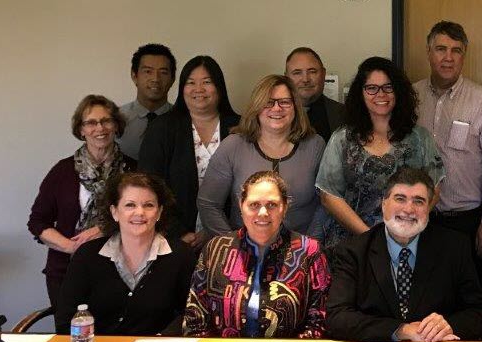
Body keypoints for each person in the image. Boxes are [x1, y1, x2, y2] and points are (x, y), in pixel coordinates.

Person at [326, 167, 482, 342]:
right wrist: (400, 330)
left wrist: (448, 325)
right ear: (383, 204)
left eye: (418, 201)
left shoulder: (454, 247)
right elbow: (337, 318)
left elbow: (479, 312)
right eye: (400, 199)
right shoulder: (353, 251)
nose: (408, 209)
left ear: (428, 208)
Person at [413, 20, 482, 304]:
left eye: (456, 50)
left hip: (467, 221)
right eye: (441, 49)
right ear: (428, 52)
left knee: (471, 299)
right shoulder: (410, 98)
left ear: (464, 56)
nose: (448, 57)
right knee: (426, 298)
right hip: (420, 217)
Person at [316, 56, 444, 249]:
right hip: (352, 244)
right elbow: (329, 195)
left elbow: (434, 188)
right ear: (361, 93)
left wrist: (404, 231)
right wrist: (370, 236)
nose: (380, 94)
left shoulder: (420, 138)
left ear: (398, 91)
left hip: (406, 241)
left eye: (388, 87)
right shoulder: (342, 138)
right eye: (371, 88)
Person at [184, 171, 331, 338]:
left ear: (285, 208)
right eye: (254, 204)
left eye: (272, 205)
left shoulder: (309, 251)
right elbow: (195, 319)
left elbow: (319, 323)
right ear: (241, 205)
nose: (263, 212)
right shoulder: (216, 248)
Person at [27, 95, 136, 312]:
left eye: (106, 121)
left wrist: (104, 228)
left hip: (119, 271)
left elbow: (141, 218)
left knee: (112, 340)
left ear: (116, 125)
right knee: (70, 338)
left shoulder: (133, 171)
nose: (100, 128)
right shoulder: (62, 171)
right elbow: (38, 221)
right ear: (81, 129)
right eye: (91, 122)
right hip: (65, 272)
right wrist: (72, 246)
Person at [55, 172, 195, 335]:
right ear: (114, 212)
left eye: (149, 205)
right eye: (130, 205)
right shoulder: (87, 255)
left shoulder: (181, 255)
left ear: (159, 212)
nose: (140, 212)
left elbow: (190, 314)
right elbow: (66, 319)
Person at [197, 75, 326, 237]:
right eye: (268, 102)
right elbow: (208, 204)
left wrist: (309, 247)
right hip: (243, 252)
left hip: (302, 252)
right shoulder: (233, 146)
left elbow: (326, 204)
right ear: (256, 107)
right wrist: (233, 246)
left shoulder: (315, 145)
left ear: (296, 107)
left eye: (285, 102)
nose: (277, 108)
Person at [139, 55, 241, 248]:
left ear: (219, 87)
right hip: (173, 239)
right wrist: (178, 233)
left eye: (207, 82)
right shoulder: (162, 128)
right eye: (191, 82)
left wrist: (216, 230)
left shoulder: (241, 128)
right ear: (182, 89)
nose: (199, 89)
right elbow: (149, 186)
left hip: (231, 237)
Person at [118, 43, 176, 159]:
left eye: (163, 72)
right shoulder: (115, 119)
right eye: (148, 71)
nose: (155, 79)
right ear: (134, 76)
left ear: (172, 79)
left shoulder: (183, 120)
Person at [284, 47, 347, 142]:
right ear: (286, 78)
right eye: (297, 73)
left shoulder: (345, 115)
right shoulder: (271, 115)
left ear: (323, 74)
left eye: (312, 71)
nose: (305, 79)